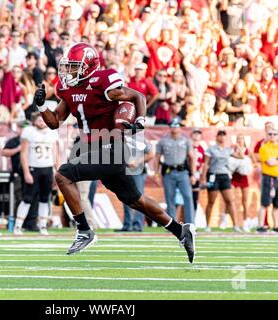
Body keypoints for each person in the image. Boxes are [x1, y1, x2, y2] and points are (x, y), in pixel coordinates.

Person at [34, 42, 195, 262]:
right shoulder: (67, 88)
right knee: (136, 200)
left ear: (88, 67)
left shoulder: (103, 81)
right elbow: (54, 122)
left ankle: (84, 230)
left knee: (63, 175)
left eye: (74, 67)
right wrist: (42, 106)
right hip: (92, 147)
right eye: (68, 66)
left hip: (112, 146)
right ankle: (181, 231)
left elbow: (137, 96)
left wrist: (139, 121)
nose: (68, 71)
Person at [14, 112, 59, 236]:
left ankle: (42, 226)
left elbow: (55, 154)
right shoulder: (29, 131)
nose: (42, 122)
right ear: (34, 121)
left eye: (44, 120)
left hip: (48, 169)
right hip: (34, 168)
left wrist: (58, 171)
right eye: (39, 120)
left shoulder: (52, 132)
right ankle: (17, 226)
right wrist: (26, 172)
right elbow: (23, 154)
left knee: (45, 199)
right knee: (27, 198)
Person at [154, 117, 196, 224]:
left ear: (180, 128)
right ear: (170, 127)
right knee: (169, 198)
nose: (174, 128)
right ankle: (172, 225)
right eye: (172, 126)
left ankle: (190, 223)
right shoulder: (163, 141)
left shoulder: (186, 141)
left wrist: (193, 174)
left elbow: (192, 158)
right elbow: (157, 158)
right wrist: (156, 173)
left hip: (183, 171)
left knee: (188, 196)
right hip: (168, 172)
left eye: (177, 126)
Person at [200, 130, 241, 232]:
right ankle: (207, 225)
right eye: (220, 135)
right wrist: (204, 178)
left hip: (224, 176)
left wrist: (238, 146)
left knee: (230, 200)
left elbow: (241, 156)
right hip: (213, 175)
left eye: (224, 135)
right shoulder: (211, 149)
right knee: (211, 201)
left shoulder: (228, 149)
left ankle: (236, 225)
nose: (222, 137)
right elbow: (206, 164)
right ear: (216, 137)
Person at [118, 140, 154, 232]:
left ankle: (137, 224)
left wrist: (138, 161)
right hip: (123, 171)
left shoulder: (141, 141)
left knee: (139, 198)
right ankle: (127, 224)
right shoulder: (121, 139)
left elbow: (151, 154)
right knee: (125, 197)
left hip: (137, 171)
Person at [257, 128, 278, 233]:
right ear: (267, 135)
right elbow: (270, 162)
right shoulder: (264, 148)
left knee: (277, 204)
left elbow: (274, 161)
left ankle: (276, 226)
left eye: (275, 134)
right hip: (268, 177)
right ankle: (260, 225)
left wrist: (276, 159)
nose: (273, 136)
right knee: (265, 202)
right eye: (270, 134)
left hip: (277, 177)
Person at [231, 134, 252, 232]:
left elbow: (251, 161)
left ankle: (245, 222)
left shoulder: (247, 150)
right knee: (231, 199)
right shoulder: (232, 150)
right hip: (234, 177)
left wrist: (247, 167)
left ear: (244, 140)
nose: (239, 140)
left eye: (241, 139)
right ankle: (230, 221)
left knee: (244, 201)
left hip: (244, 177)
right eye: (238, 138)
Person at [190, 128, 205, 214]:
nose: (196, 135)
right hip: (187, 174)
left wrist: (201, 176)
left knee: (195, 197)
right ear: (191, 135)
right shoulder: (188, 146)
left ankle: (193, 218)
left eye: (198, 134)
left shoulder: (201, 149)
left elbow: (203, 163)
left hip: (197, 175)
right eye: (195, 133)